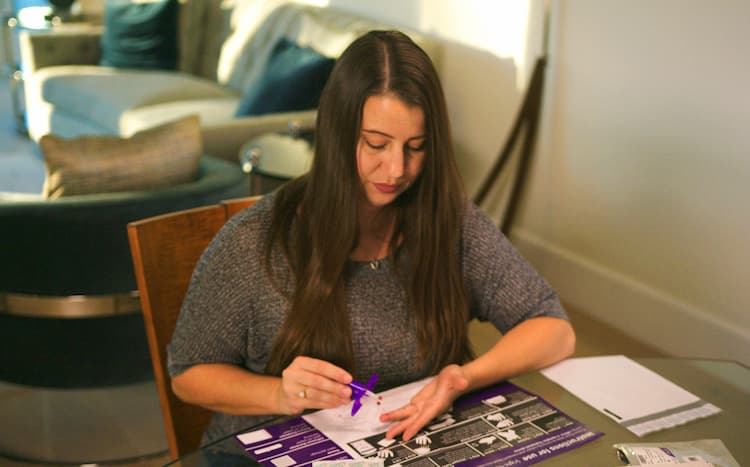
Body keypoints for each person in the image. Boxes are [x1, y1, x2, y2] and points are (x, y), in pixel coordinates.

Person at [168, 30, 575, 448]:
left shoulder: (448, 221)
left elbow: (553, 330)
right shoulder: (255, 241)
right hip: (269, 452)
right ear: (335, 135)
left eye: (415, 147)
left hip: (402, 448)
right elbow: (188, 375)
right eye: (376, 144)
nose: (396, 169)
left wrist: (463, 377)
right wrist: (278, 393)